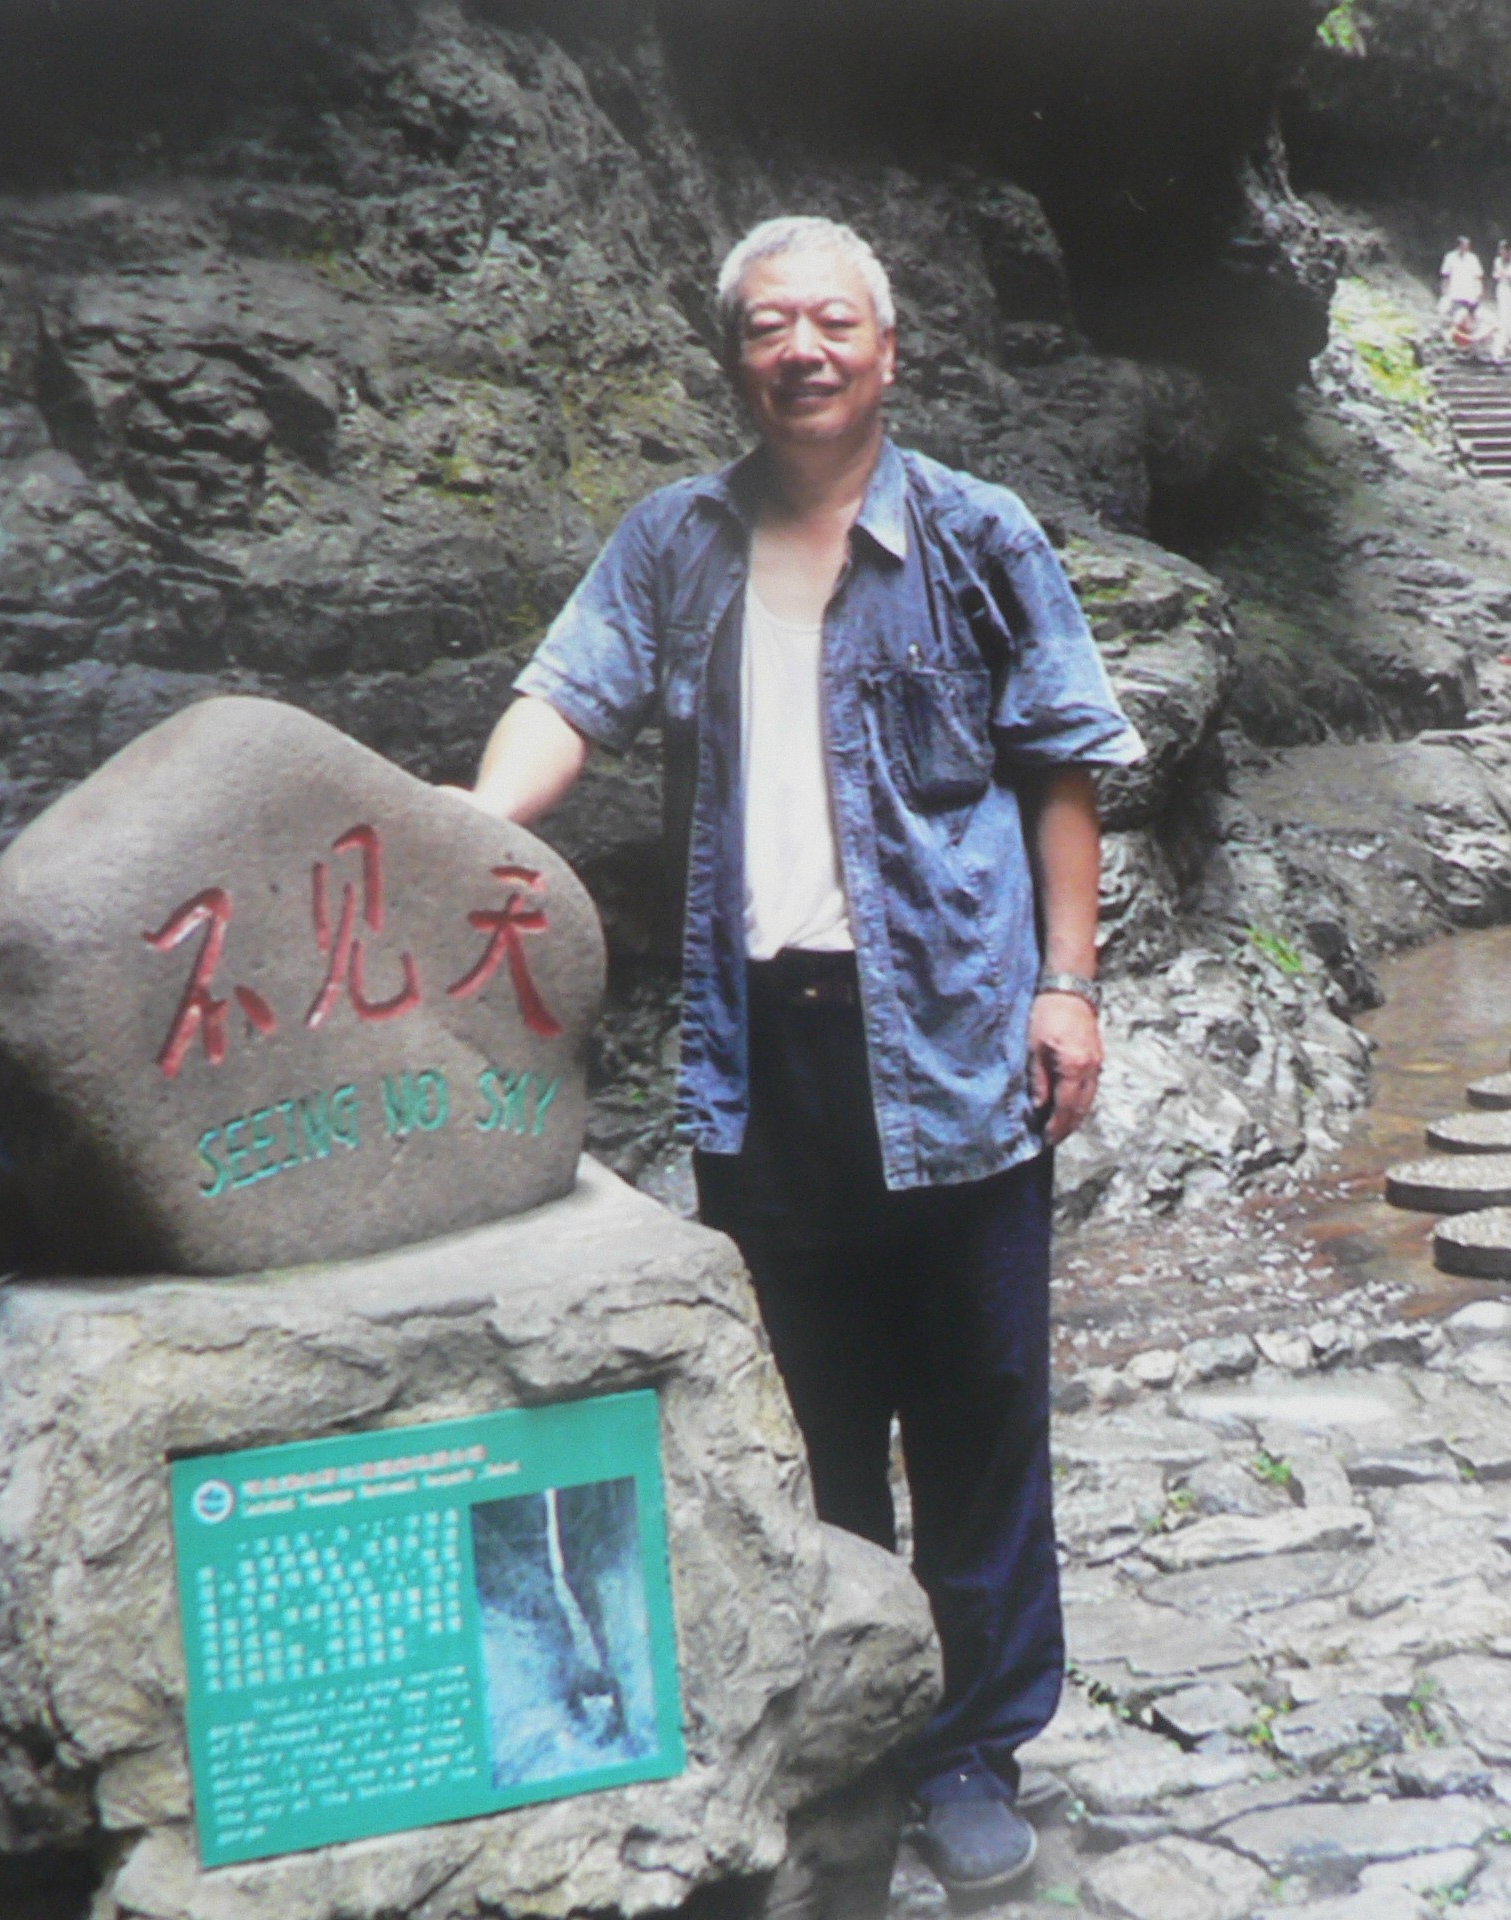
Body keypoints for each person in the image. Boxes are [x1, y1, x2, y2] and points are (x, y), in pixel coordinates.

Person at [458, 215, 1143, 1893]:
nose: (803, 349)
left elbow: (1062, 769)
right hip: (770, 1053)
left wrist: (1071, 986)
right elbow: (570, 695)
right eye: (770, 326)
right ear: (734, 359)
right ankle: (859, 1721)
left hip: (963, 1045)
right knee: (818, 1412)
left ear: (887, 351)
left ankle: (975, 1746)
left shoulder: (977, 540)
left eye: (835, 321)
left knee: (978, 1415)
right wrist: (457, 836)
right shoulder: (674, 547)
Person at [1440, 234, 1486, 327]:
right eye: (1464, 245)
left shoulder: (1473, 258)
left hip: (1469, 291)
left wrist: (1479, 290)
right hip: (1455, 290)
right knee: (1452, 311)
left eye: (1467, 246)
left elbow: (1478, 275)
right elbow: (1445, 274)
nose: (1466, 248)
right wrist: (1445, 290)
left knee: (1469, 312)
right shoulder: (1450, 257)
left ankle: (1467, 328)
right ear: (1459, 246)